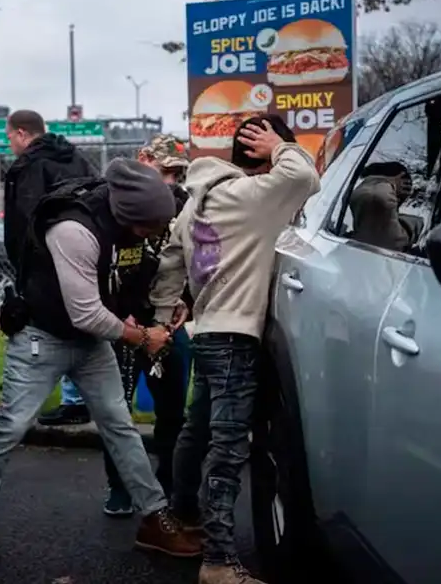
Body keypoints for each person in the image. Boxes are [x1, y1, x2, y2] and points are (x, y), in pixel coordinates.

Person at [0, 158, 202, 572]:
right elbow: (86, 313)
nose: (156, 234)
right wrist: (141, 337)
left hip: (91, 343)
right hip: (42, 336)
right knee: (9, 427)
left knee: (120, 426)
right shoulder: (74, 229)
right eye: (150, 228)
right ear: (129, 217)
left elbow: (128, 278)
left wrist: (155, 309)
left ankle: (154, 518)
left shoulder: (129, 225)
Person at [149, 115, 320, 584]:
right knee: (227, 449)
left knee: (196, 429)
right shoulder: (254, 196)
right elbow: (306, 176)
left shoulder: (194, 202)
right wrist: (281, 146)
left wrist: (166, 314)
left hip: (206, 333)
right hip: (236, 338)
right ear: (264, 154)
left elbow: (168, 263)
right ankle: (219, 562)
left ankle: (182, 515)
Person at [97, 134, 194, 517]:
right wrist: (120, 316)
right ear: (144, 159)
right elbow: (102, 266)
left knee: (172, 411)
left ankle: (167, 485)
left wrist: (186, 302)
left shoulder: (185, 206)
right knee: (116, 411)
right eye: (165, 170)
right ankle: (119, 488)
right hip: (125, 323)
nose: (170, 180)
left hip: (168, 322)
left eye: (177, 173)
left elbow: (195, 261)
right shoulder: (114, 203)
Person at [3, 109, 99, 426]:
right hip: (85, 253)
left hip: (44, 264)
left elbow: (24, 219)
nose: (10, 145)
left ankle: (44, 404)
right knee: (81, 324)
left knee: (45, 332)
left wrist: (23, 264)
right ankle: (81, 398)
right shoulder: (76, 157)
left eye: (9, 138)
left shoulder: (30, 166)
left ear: (21, 133)